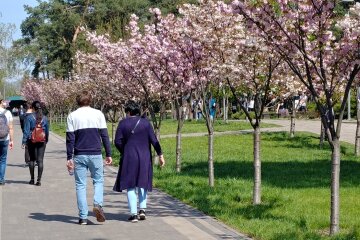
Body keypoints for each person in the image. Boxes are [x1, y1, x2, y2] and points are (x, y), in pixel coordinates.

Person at [113, 100, 165, 223]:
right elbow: (154, 140)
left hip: (129, 157)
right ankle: (142, 210)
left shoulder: (123, 123)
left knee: (130, 185)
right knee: (143, 183)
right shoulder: (146, 123)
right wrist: (160, 154)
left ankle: (133, 214)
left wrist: (124, 150)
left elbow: (117, 141)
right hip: (145, 157)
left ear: (129, 111)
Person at [66, 90, 112, 225]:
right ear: (90, 100)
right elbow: (104, 135)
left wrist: (69, 157)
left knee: (80, 185)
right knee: (98, 181)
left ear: (78, 102)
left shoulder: (72, 116)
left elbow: (70, 139)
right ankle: (98, 204)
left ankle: (83, 217)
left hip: (79, 154)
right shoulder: (98, 114)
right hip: (96, 153)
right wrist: (108, 153)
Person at [22, 101, 49, 186]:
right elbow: (47, 131)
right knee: (40, 160)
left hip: (31, 140)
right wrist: (46, 139)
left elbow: (26, 131)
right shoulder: (44, 118)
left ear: (33, 108)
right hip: (42, 141)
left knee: (32, 160)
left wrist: (23, 141)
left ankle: (32, 179)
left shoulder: (29, 117)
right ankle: (39, 181)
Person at [0, 99, 14, 185]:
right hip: (5, 138)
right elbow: (11, 128)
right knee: (3, 159)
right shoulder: (8, 113)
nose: (6, 103)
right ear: (1, 102)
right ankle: (1, 179)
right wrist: (12, 140)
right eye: (4, 101)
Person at [20, 102, 33, 167]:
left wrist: (23, 130)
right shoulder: (34, 115)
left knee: (27, 147)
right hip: (34, 133)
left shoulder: (23, 116)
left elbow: (21, 125)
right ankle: (33, 159)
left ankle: (27, 161)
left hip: (25, 131)